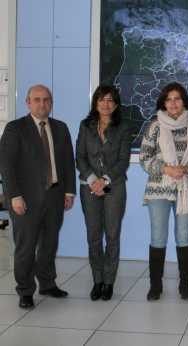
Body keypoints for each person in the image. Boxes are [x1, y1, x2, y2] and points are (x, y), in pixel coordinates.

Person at [0, 84, 76, 309]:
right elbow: (6, 165)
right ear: (28, 103)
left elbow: (68, 164)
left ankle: (47, 283)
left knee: (49, 244)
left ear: (51, 103)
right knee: (25, 247)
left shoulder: (61, 128)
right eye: (37, 100)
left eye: (46, 100)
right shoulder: (15, 128)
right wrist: (13, 196)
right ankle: (25, 290)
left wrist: (69, 191)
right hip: (25, 199)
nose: (42, 104)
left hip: (55, 196)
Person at [140, 82, 188, 301]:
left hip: (186, 189)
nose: (173, 103)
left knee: (183, 237)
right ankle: (155, 286)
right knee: (158, 237)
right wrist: (167, 168)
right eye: (169, 99)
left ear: (184, 101)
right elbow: (145, 158)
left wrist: (187, 168)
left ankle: (185, 286)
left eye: (177, 98)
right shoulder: (155, 126)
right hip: (159, 189)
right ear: (163, 103)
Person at [76, 85, 132, 301]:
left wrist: (104, 180)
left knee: (112, 235)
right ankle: (97, 280)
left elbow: (123, 160)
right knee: (93, 236)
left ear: (115, 104)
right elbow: (79, 156)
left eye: (110, 100)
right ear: (95, 103)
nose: (105, 104)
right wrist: (92, 180)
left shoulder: (123, 127)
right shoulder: (85, 125)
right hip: (88, 186)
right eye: (101, 99)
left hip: (114, 185)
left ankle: (108, 282)